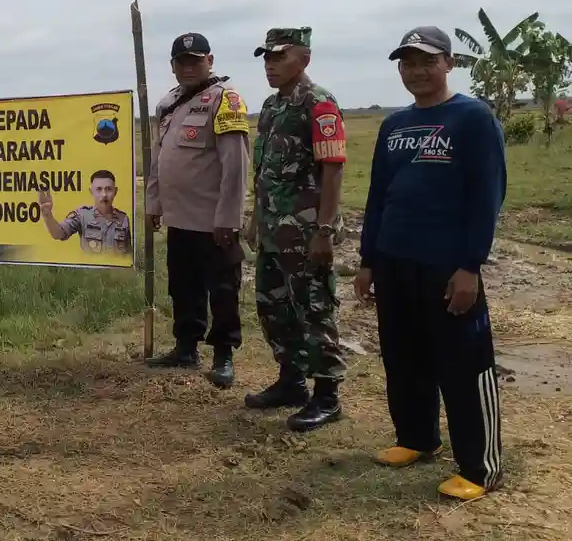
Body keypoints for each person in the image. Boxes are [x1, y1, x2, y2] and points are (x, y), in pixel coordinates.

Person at [355, 26, 506, 501]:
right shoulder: (394, 125)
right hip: (395, 260)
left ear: (449, 64)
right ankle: (416, 438)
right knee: (403, 356)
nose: (417, 71)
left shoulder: (473, 118)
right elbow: (379, 196)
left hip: (447, 266)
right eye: (407, 63)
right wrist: (367, 260)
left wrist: (470, 266)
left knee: (463, 363)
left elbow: (487, 197)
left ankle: (481, 467)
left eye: (427, 61)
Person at [243, 27, 347, 432]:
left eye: (278, 57)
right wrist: (255, 216)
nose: (269, 64)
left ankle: (327, 394)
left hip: (305, 231)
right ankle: (291, 381)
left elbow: (333, 168)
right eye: (266, 57)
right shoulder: (271, 107)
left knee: (313, 307)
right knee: (274, 306)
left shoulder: (318, 104)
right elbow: (265, 170)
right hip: (273, 229)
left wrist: (324, 229)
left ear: (303, 59)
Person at [142, 32, 250, 390]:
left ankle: (223, 355)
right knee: (183, 285)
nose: (188, 67)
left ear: (210, 61)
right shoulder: (169, 104)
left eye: (196, 60)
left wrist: (228, 218)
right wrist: (154, 203)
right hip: (179, 217)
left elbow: (235, 166)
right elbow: (160, 161)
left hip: (212, 220)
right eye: (181, 62)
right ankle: (186, 347)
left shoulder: (226, 102)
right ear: (173, 67)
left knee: (222, 288)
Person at [38, 170, 132, 256]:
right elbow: (58, 234)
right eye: (99, 189)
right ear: (91, 192)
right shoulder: (82, 215)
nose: (104, 195)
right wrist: (47, 214)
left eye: (108, 189)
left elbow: (128, 255)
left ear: (115, 192)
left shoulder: (123, 219)